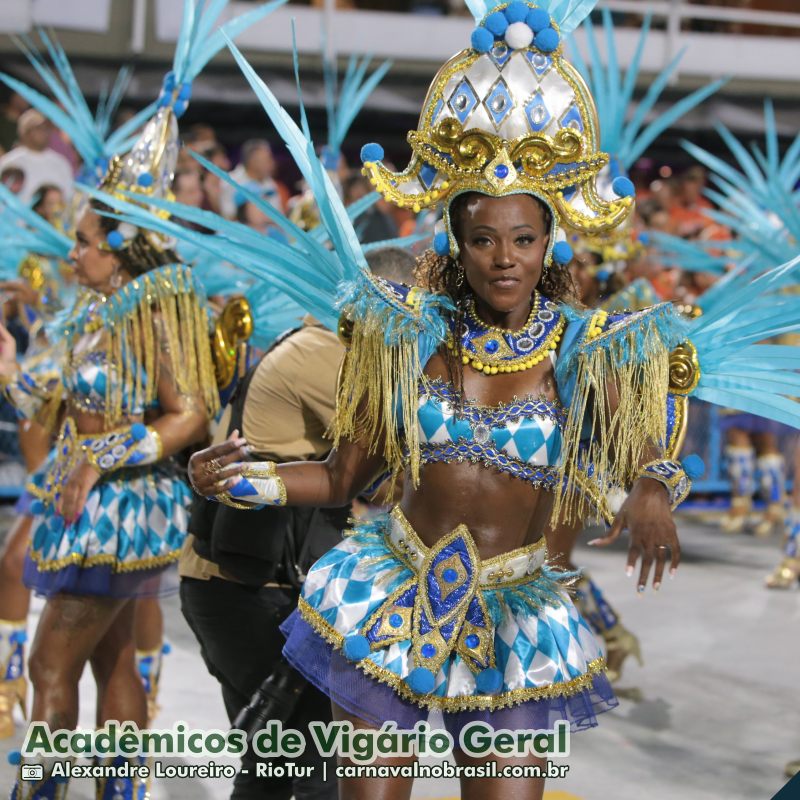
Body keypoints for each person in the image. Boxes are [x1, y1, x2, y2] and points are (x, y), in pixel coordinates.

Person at [182, 247, 416, 800]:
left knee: (282, 767)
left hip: (253, 580)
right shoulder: (327, 354)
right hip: (249, 588)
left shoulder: (323, 341)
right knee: (300, 769)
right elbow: (409, 454)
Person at [0, 110, 73, 203]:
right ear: (24, 132)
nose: (43, 132)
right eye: (38, 128)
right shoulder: (9, 162)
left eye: (46, 128)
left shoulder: (61, 162)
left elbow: (68, 196)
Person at [220, 139, 287, 219]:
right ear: (252, 162)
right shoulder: (230, 182)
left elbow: (278, 216)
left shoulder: (270, 183)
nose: (272, 163)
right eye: (267, 160)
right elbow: (228, 215)